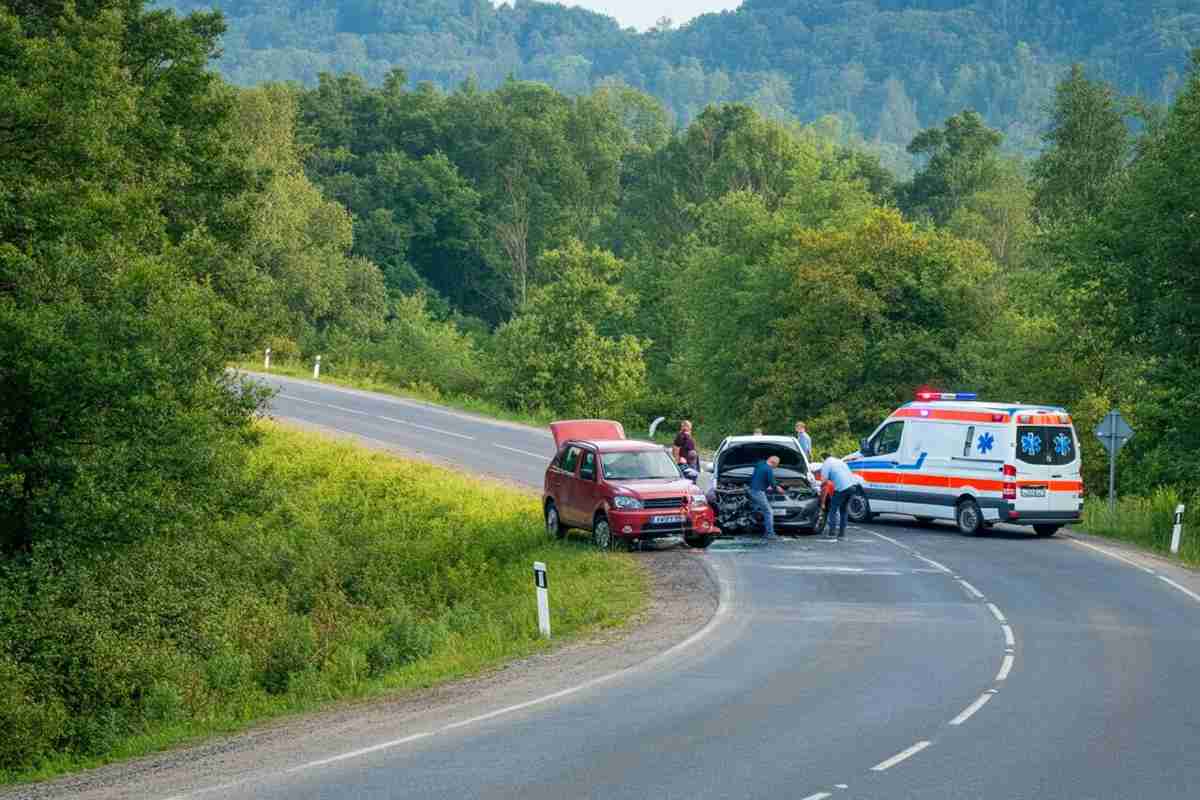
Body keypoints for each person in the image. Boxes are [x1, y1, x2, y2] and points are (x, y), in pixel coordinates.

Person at [819, 452, 857, 540]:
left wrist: (819, 487)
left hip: (842, 488)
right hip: (852, 486)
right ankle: (842, 535)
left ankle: (832, 533)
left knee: (833, 510)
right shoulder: (839, 461)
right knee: (843, 510)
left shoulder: (826, 463)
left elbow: (824, 480)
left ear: (823, 458)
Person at [749, 455, 785, 541]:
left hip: (752, 489)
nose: (776, 467)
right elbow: (772, 483)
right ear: (774, 463)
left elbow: (761, 477)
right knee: (768, 511)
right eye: (777, 465)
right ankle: (770, 534)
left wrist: (765, 486)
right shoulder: (768, 469)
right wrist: (779, 489)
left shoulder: (760, 464)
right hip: (758, 492)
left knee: (755, 508)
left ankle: (753, 526)